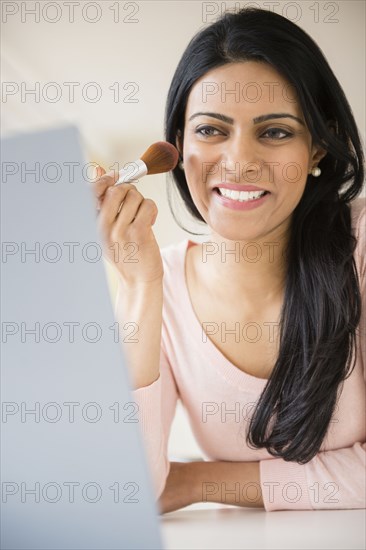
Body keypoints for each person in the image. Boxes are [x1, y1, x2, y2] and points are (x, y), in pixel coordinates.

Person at [93, 7, 365, 513]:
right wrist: (137, 287)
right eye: (212, 130)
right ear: (176, 146)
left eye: (276, 132)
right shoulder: (161, 285)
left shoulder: (361, 245)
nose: (239, 162)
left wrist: (201, 482)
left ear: (318, 149)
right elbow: (125, 489)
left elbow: (171, 488)